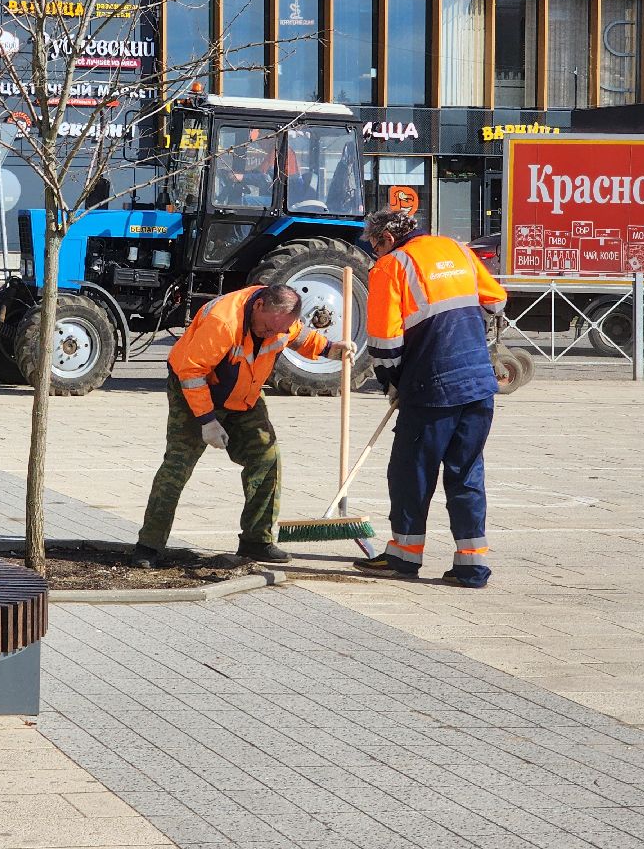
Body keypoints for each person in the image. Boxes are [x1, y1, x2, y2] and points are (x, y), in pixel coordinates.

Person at [132, 284, 354, 567]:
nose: (271, 335)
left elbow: (299, 337)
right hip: (195, 391)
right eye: (265, 329)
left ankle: (255, 541)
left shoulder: (280, 320)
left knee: (267, 457)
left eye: (278, 331)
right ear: (259, 306)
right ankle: (148, 546)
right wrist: (207, 421)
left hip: (243, 397)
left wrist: (331, 349)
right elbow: (191, 372)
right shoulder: (223, 321)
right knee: (177, 465)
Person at [353, 209, 507, 588]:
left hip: (432, 387)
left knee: (411, 473)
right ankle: (471, 566)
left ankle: (403, 558)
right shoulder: (456, 248)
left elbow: (385, 344)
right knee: (467, 472)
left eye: (374, 245)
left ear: (386, 239)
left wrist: (392, 381)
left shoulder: (391, 266)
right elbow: (496, 300)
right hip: (477, 383)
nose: (374, 252)